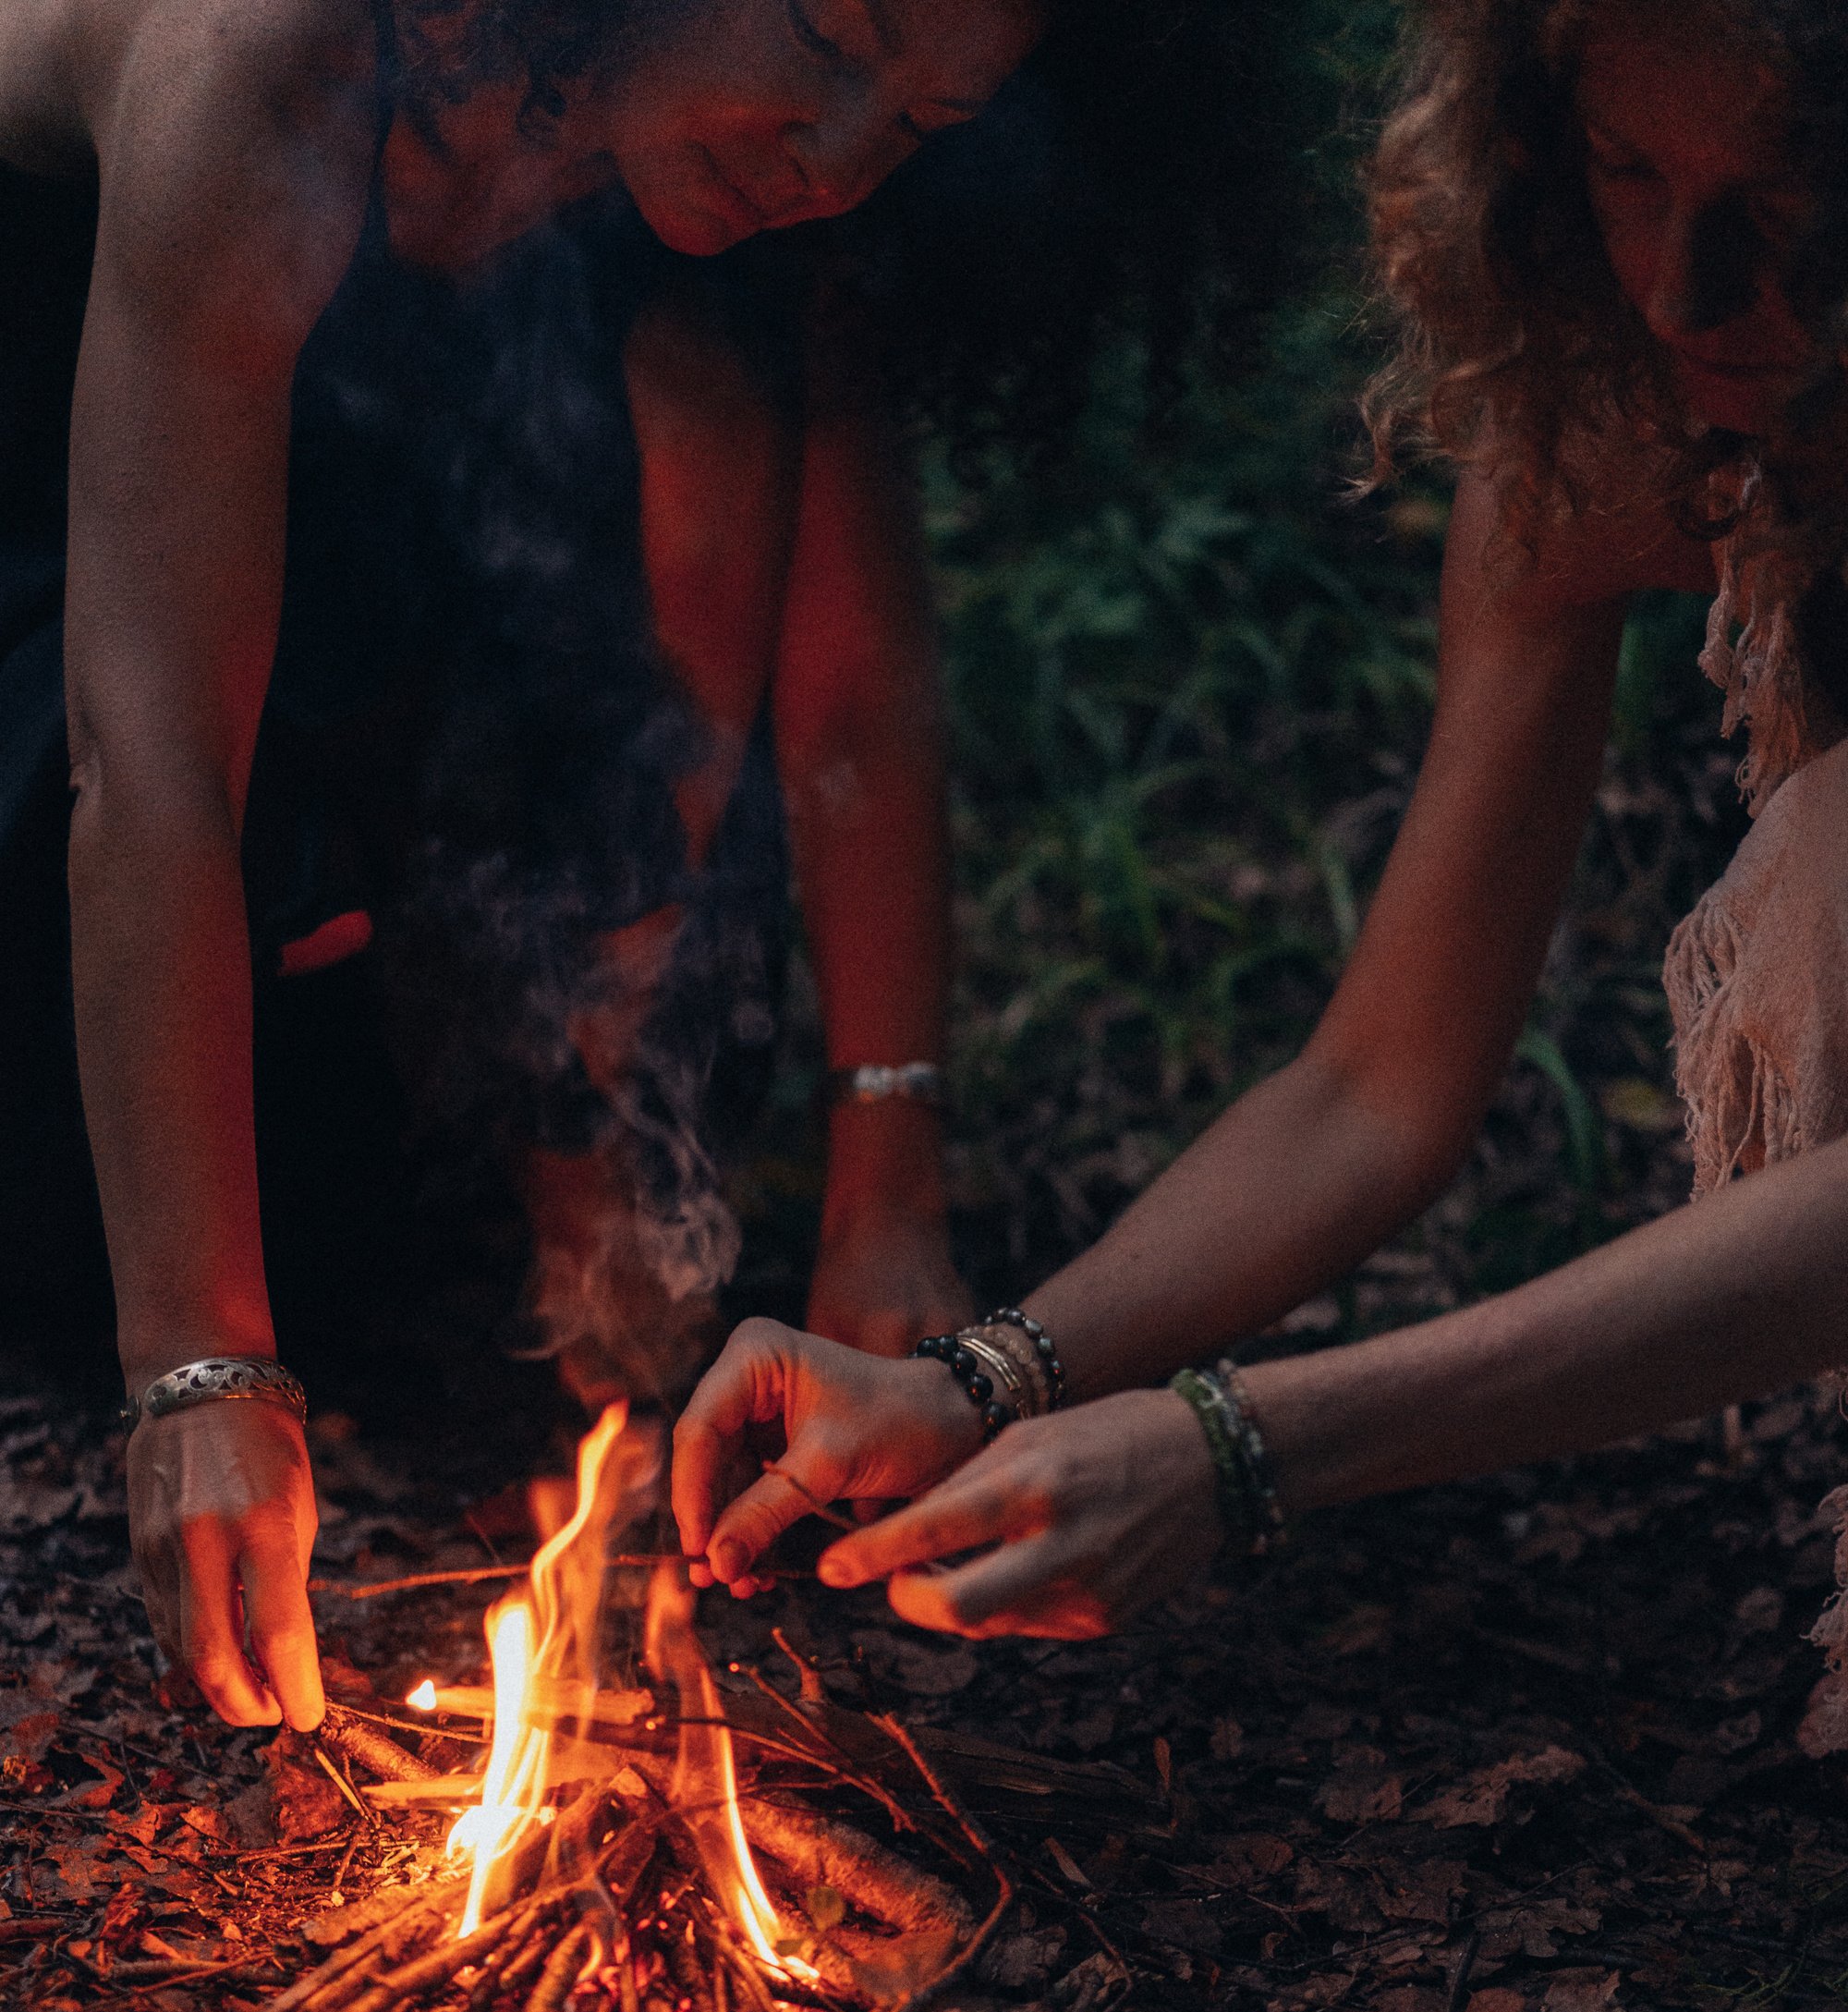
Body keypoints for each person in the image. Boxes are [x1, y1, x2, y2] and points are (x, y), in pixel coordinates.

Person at [0, 0, 1297, 1730]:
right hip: (45, 587)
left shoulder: (759, 176)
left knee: (678, 460)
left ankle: (471, 1136)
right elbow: (149, 757)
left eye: (919, 123)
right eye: (835, 34)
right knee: (92, 1196)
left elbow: (845, 698)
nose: (837, 155)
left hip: (345, 617)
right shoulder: (274, 61)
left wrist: (885, 1206)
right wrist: (198, 1367)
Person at [674, 0, 1848, 1750]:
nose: (1685, 289)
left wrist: (1238, 1449)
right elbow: (1377, 1088)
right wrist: (980, 1378)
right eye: (1626, 173)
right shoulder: (1606, 442)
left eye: (1794, 195)